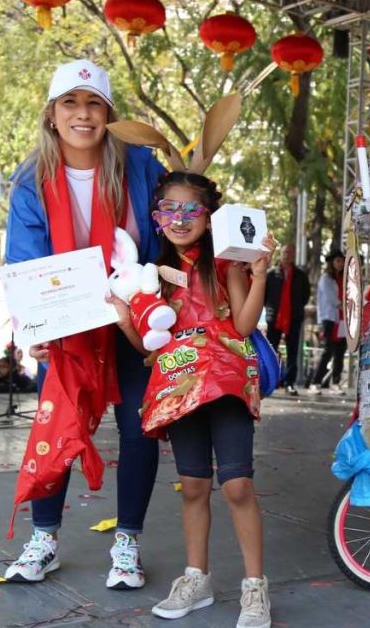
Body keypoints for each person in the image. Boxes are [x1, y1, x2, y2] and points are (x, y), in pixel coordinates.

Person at [2, 59, 166, 590]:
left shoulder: (140, 166)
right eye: (70, 102)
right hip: (69, 322)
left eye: (94, 103)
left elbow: (173, 230)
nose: (82, 114)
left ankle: (127, 544)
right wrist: (35, 328)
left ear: (109, 115)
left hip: (132, 319)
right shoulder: (31, 181)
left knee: (139, 429)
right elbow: (26, 262)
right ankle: (44, 539)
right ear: (52, 114)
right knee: (58, 422)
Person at [135, 171, 275, 627]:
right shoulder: (149, 276)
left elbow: (244, 326)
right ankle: (196, 578)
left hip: (228, 381)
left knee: (237, 485)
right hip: (179, 389)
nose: (179, 219)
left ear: (209, 217)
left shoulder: (224, 265)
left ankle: (255, 588)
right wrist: (122, 314)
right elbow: (145, 344)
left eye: (189, 210)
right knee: (193, 486)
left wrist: (258, 277)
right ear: (156, 218)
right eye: (168, 210)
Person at [264, 243, 310, 395]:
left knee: (293, 352)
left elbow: (305, 296)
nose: (287, 255)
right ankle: (269, 381)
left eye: (290, 253)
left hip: (293, 317)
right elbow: (264, 296)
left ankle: (290, 383)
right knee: (270, 349)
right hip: (274, 317)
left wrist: (294, 307)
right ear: (280, 254)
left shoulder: (301, 275)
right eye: (284, 252)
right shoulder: (271, 275)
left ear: (294, 256)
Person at [308, 250, 347, 394]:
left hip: (343, 319)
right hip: (330, 318)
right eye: (337, 261)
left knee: (340, 352)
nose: (340, 263)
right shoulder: (326, 278)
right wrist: (346, 306)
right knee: (328, 351)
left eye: (342, 261)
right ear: (332, 262)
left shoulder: (344, 278)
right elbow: (332, 300)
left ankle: (335, 383)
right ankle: (315, 382)